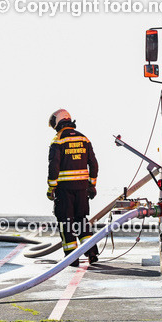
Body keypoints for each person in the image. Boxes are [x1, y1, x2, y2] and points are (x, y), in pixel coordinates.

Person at [47, 109, 99, 265]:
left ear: (58, 122)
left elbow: (53, 167)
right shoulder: (84, 139)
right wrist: (92, 184)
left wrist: (51, 188)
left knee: (66, 222)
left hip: (64, 190)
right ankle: (91, 252)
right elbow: (94, 164)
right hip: (82, 189)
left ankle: (72, 257)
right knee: (81, 220)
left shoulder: (58, 140)